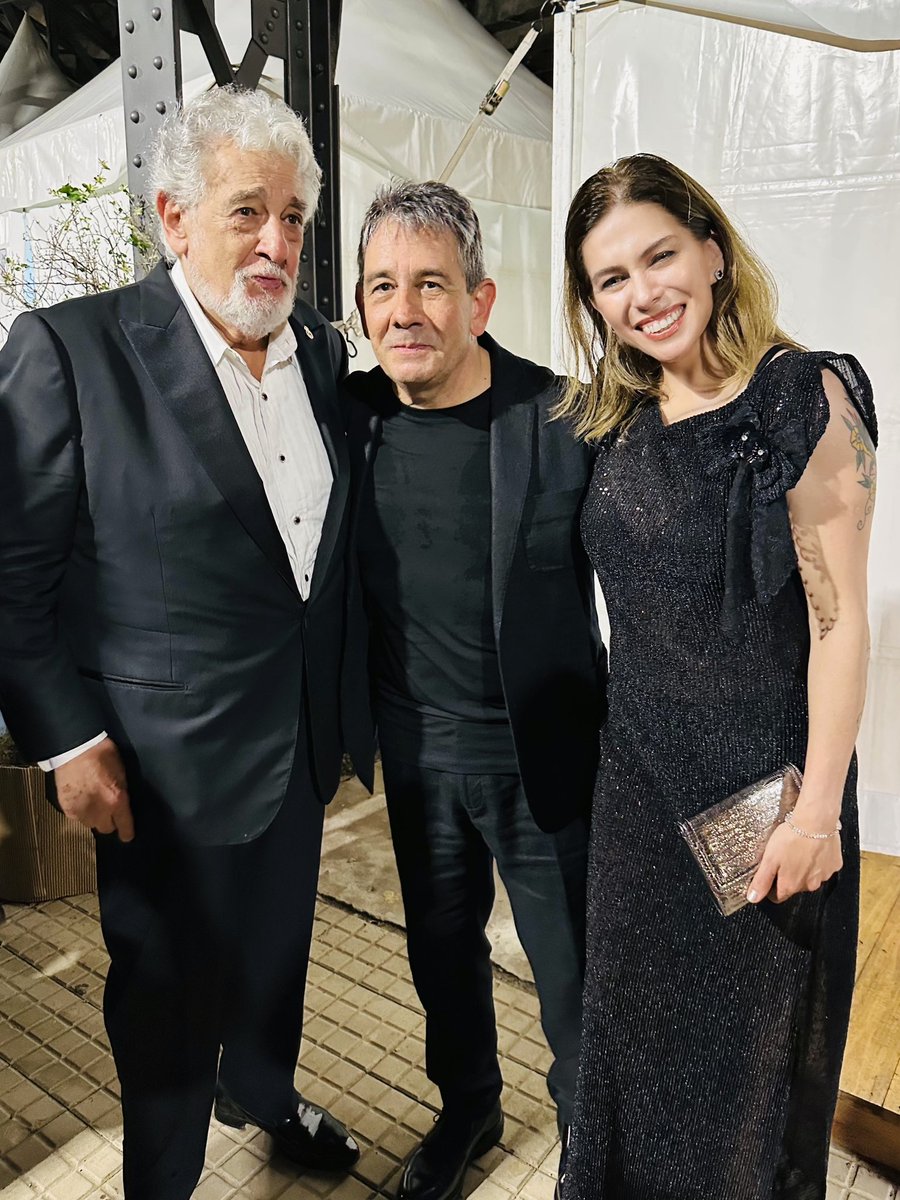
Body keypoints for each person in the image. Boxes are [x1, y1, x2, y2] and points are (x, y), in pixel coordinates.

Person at [0, 85, 374, 1200]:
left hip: (298, 747)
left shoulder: (312, 349)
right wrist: (68, 744)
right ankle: (161, 1181)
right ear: (173, 215)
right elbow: (13, 579)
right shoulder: (73, 352)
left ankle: (264, 1093)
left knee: (277, 965)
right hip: (159, 766)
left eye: (296, 219)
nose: (277, 242)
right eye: (247, 211)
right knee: (164, 1005)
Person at [558, 153, 877, 1198]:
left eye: (659, 256)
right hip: (639, 804)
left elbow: (839, 625)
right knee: (626, 1067)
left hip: (765, 808)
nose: (643, 293)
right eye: (612, 278)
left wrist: (817, 814)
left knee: (746, 1089)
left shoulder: (800, 397)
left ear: (711, 248)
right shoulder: (611, 421)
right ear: (591, 301)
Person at [345, 180, 607, 1200]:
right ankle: (468, 1109)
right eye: (381, 288)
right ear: (361, 309)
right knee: (441, 957)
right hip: (414, 752)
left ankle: (593, 1136)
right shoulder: (348, 417)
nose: (404, 311)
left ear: (481, 300)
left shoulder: (564, 421)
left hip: (544, 753)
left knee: (576, 978)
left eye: (430, 285)